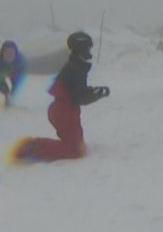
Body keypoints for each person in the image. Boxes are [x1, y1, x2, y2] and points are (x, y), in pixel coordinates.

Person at [10, 32, 108, 163]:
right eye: (88, 48)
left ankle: (35, 145)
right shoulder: (76, 68)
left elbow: (77, 91)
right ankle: (34, 148)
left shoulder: (75, 65)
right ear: (81, 49)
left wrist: (96, 91)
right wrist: (97, 94)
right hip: (65, 112)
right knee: (75, 150)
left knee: (77, 146)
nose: (89, 52)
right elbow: (79, 97)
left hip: (63, 109)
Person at [1, 40, 26, 109]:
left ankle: (7, 100)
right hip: (3, 73)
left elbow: (19, 77)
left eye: (11, 52)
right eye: (6, 52)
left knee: (12, 86)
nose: (8, 54)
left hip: (15, 76)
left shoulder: (20, 61)